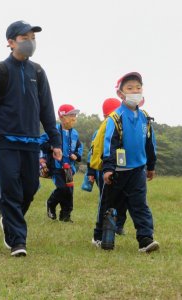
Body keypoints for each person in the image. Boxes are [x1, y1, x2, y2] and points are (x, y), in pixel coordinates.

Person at [0, 20, 62, 257]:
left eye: (33, 38)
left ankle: (9, 220)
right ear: (11, 42)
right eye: (25, 38)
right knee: (11, 189)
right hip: (4, 141)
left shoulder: (38, 71)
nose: (30, 42)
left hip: (32, 141)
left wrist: (55, 141)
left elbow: (47, 108)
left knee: (31, 186)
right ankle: (17, 241)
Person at [100, 72, 159, 253]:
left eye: (138, 87)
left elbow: (150, 143)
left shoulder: (145, 118)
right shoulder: (115, 118)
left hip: (137, 170)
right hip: (118, 171)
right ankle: (101, 236)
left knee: (139, 205)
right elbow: (109, 144)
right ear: (120, 93)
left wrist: (151, 166)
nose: (135, 91)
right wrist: (108, 168)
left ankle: (145, 239)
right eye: (130, 88)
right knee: (110, 206)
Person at [85, 98, 128, 237]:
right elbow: (93, 152)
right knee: (107, 199)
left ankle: (118, 226)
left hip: (123, 169)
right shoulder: (99, 132)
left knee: (123, 199)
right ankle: (104, 228)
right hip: (103, 170)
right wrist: (91, 172)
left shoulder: (125, 130)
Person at [42, 104, 82, 222]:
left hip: (69, 168)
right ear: (62, 117)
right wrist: (51, 147)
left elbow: (79, 147)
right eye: (71, 115)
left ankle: (65, 216)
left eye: (75, 115)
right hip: (56, 166)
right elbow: (41, 142)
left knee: (69, 191)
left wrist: (77, 155)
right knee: (62, 188)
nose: (74, 118)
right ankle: (51, 204)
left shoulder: (75, 133)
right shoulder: (53, 131)